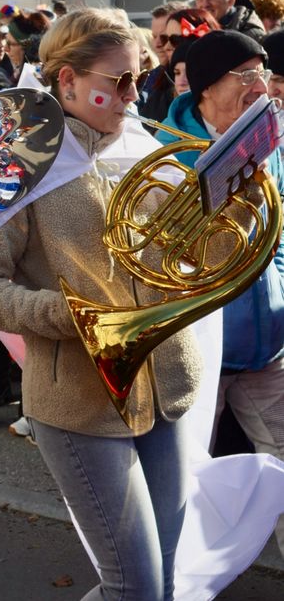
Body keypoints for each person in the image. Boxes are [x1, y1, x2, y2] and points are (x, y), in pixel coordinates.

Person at [0, 6, 209, 600]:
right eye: (116, 82)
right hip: (78, 399)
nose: (132, 94)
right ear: (66, 82)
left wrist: (227, 198)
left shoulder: (144, 145)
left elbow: (188, 253)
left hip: (165, 384)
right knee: (135, 587)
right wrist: (71, 315)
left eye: (138, 78)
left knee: (163, 583)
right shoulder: (21, 167)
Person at [156, 30, 284, 559]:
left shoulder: (271, 133)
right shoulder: (162, 149)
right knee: (182, 478)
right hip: (195, 350)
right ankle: (173, 581)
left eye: (263, 73)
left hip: (267, 345)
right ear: (208, 87)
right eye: (247, 75)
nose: (262, 85)